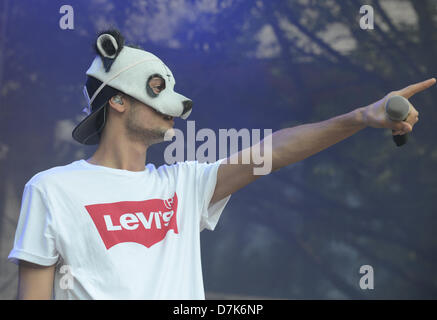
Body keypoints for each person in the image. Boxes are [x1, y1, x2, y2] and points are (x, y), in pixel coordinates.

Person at [8, 29, 433, 300]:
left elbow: (274, 151)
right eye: (157, 89)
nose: (173, 105)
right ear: (117, 99)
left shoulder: (184, 185)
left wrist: (360, 116)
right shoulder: (52, 189)